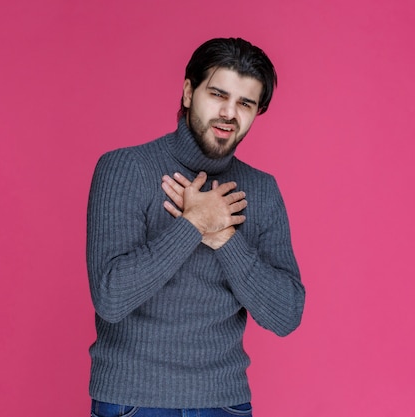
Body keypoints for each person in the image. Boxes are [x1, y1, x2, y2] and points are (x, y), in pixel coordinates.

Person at [86, 37, 305, 417]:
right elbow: (111, 298)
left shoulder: (262, 190)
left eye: (245, 103)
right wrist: (192, 224)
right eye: (217, 94)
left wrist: (224, 238)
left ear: (258, 112)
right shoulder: (124, 168)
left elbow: (286, 315)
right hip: (132, 401)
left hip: (225, 403)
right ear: (188, 92)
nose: (228, 112)